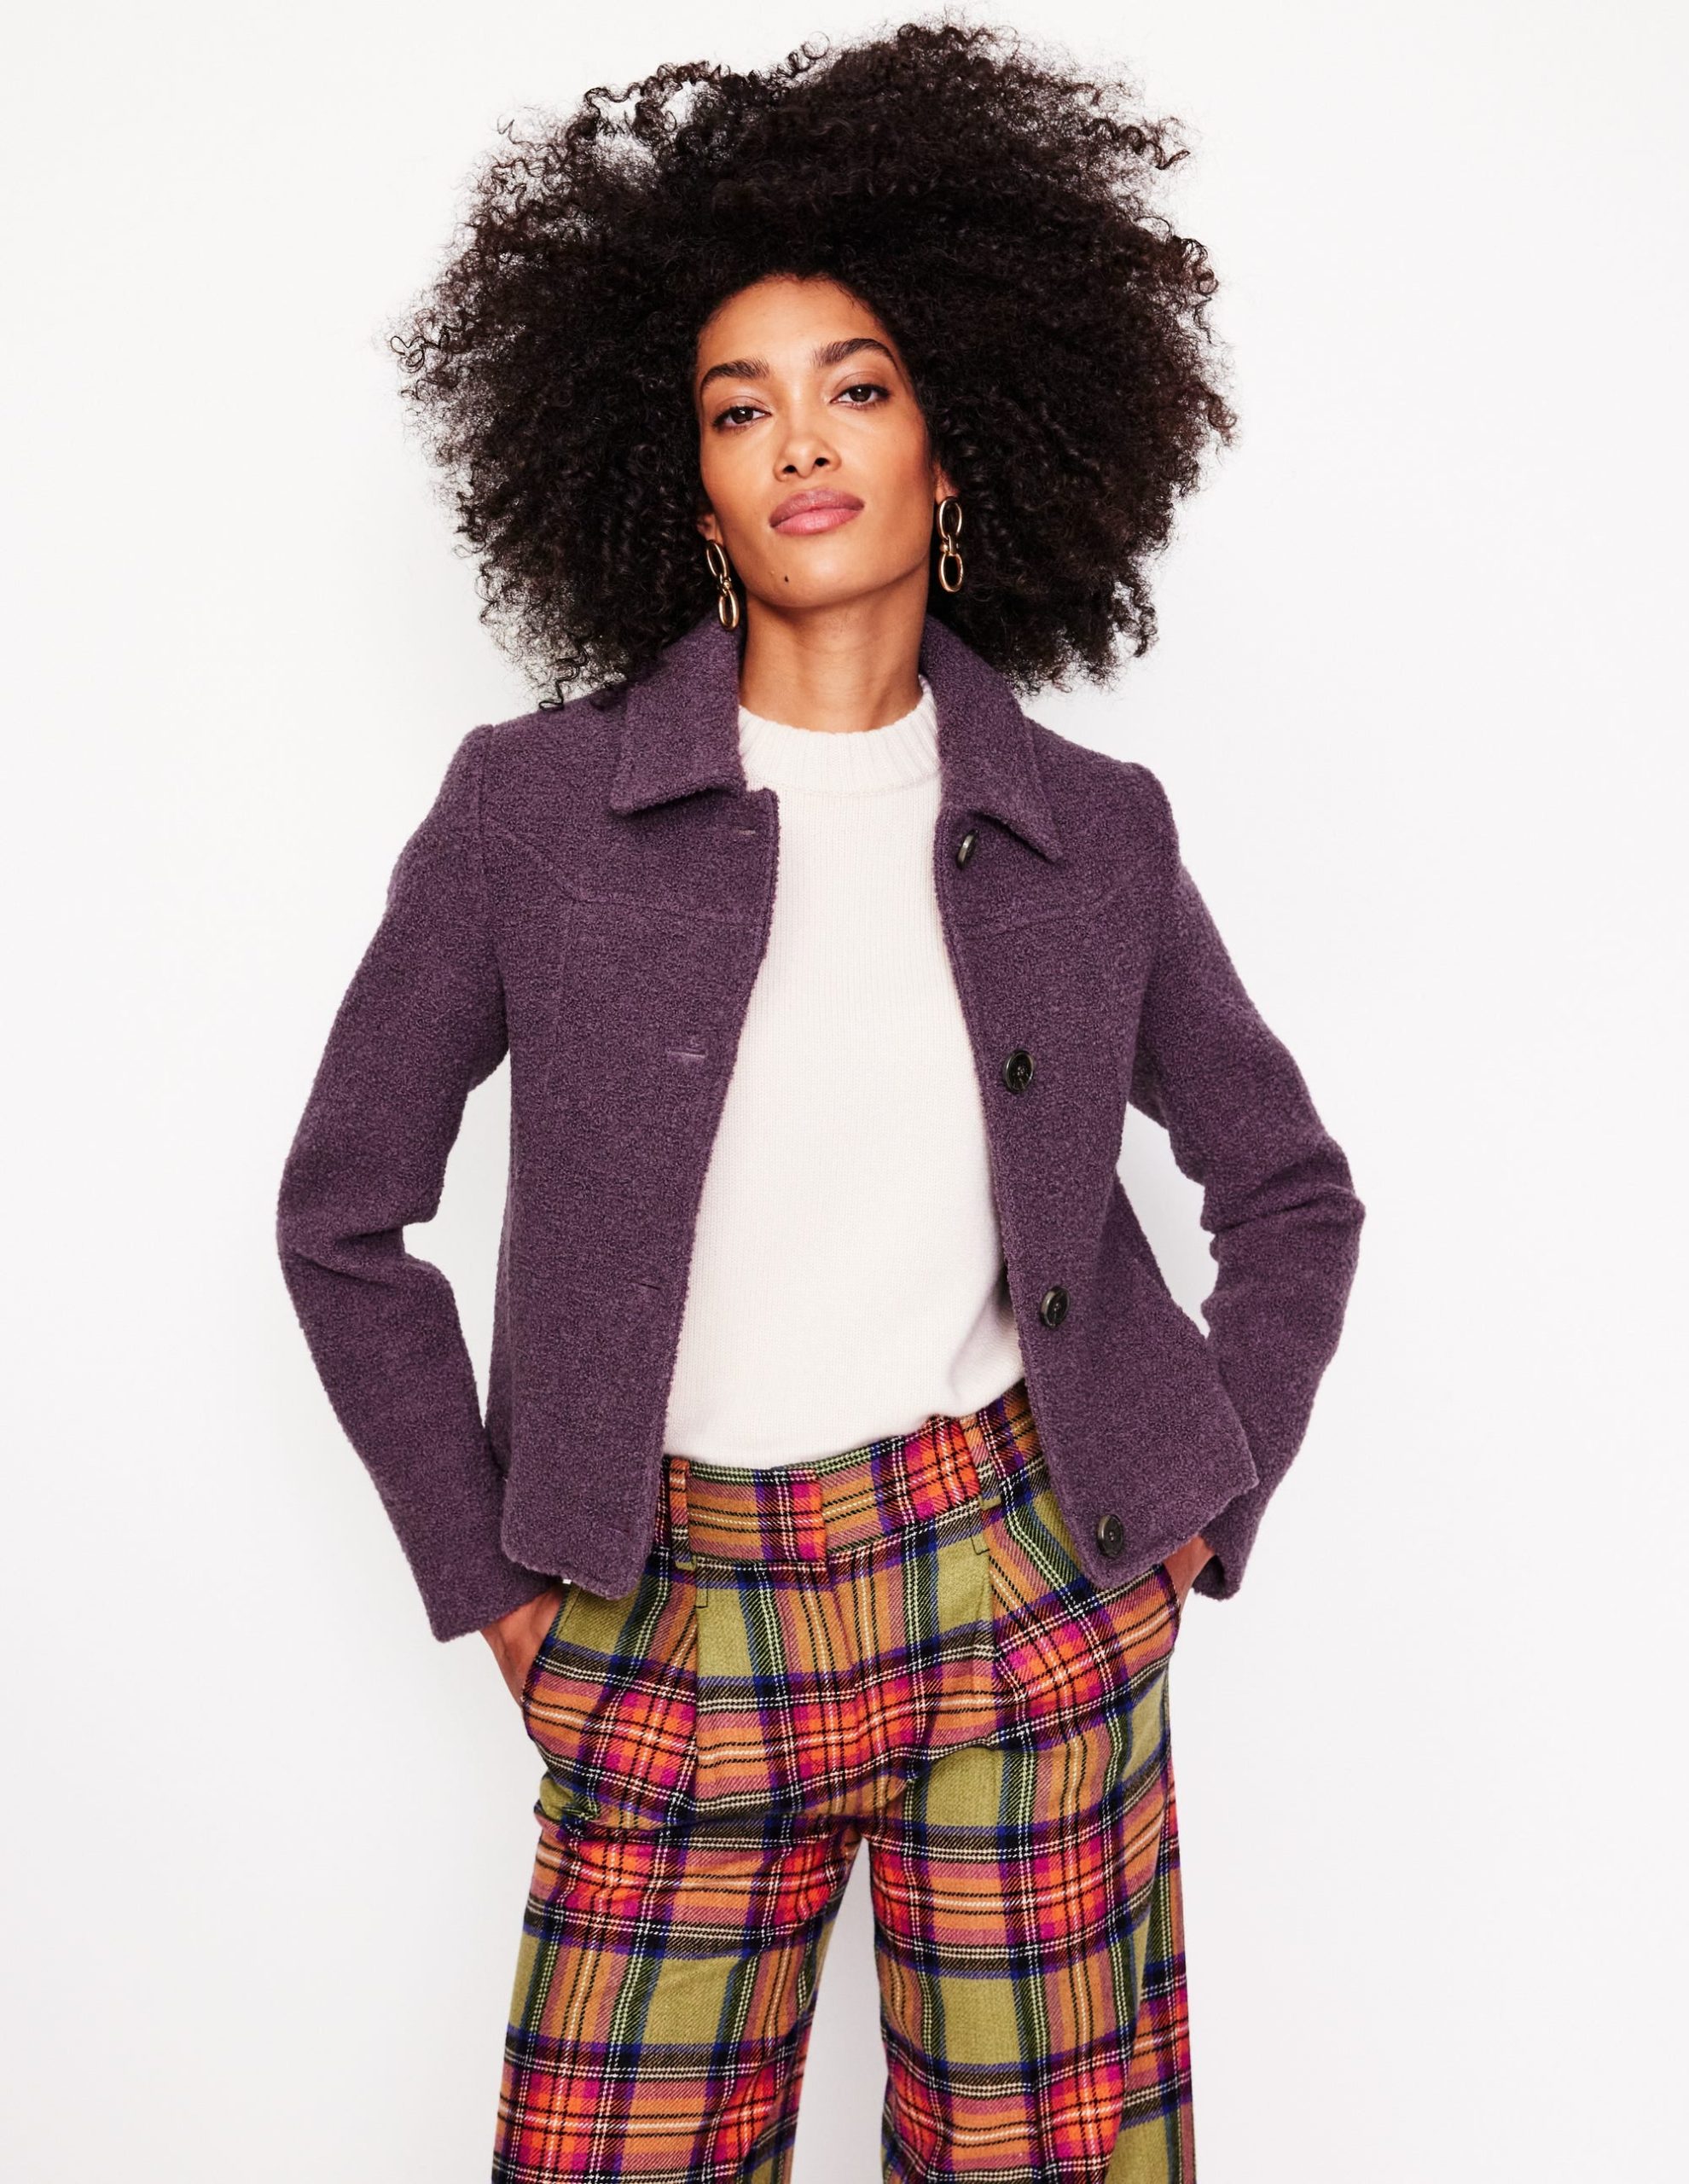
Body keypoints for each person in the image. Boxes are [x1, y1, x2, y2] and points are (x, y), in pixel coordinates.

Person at [276, 20, 1365, 2180]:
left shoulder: (1092, 827)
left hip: (1022, 1588)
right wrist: (499, 1588)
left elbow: (1289, 1187)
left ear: (955, 446)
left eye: (856, 386)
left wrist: (1182, 1527)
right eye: (738, 404)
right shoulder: (533, 811)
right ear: (684, 484)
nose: (800, 439)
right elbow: (342, 1214)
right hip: (660, 1604)